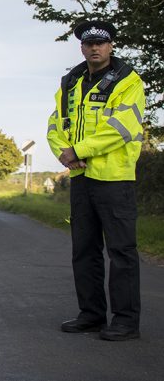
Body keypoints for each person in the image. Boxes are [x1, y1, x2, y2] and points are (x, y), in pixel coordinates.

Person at [47, 20, 146, 341]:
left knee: (121, 252)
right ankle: (90, 314)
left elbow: (121, 127)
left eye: (100, 43)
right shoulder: (71, 82)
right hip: (81, 178)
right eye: (88, 43)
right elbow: (55, 123)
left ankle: (125, 321)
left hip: (115, 179)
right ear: (81, 47)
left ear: (111, 46)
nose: (94, 48)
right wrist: (64, 153)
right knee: (84, 250)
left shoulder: (128, 81)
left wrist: (78, 149)